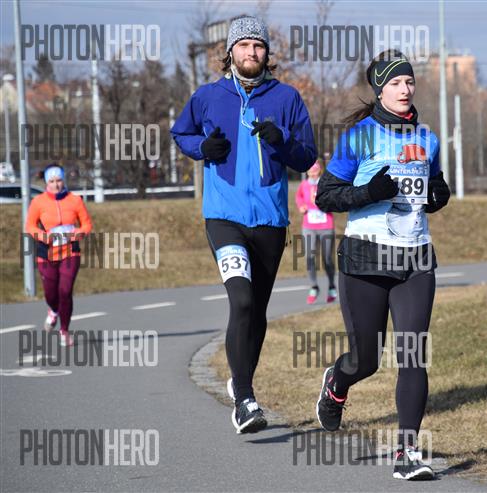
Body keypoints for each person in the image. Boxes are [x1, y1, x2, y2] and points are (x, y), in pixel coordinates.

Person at [171, 16, 316, 434]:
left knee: (258, 312)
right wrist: (203, 147)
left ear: (267, 53)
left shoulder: (287, 97)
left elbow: (307, 155)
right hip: (224, 217)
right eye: (244, 45)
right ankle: (246, 401)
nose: (252, 52)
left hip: (270, 220)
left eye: (258, 46)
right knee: (242, 300)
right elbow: (180, 134)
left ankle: (241, 381)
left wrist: (281, 141)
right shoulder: (207, 96)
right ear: (230, 51)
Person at [313, 50, 450, 480]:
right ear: (379, 90)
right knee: (366, 360)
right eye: (395, 83)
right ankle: (337, 383)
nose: (405, 89)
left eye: (409, 82)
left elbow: (435, 186)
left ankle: (407, 453)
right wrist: (369, 192)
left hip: (416, 258)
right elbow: (325, 196)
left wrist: (438, 195)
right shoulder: (359, 137)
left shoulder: (428, 138)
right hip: (366, 259)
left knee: (413, 355)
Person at [25, 164, 92, 347]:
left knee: (65, 291)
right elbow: (30, 226)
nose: (56, 185)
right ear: (46, 182)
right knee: (50, 294)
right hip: (46, 254)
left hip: (70, 252)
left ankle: (64, 330)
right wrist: (43, 236)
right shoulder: (38, 202)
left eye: (59, 180)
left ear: (64, 180)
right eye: (52, 181)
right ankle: (53, 311)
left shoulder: (75, 200)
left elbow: (86, 225)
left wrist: (76, 235)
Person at [295, 161, 337, 304]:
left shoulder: (325, 184)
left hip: (326, 225)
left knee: (327, 258)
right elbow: (299, 197)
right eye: (311, 171)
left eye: (316, 171)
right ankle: (314, 286)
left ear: (320, 171)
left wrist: (321, 201)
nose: (313, 174)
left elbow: (333, 199)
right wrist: (301, 206)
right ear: (307, 172)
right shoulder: (304, 185)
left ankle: (331, 286)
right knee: (310, 257)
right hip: (309, 226)